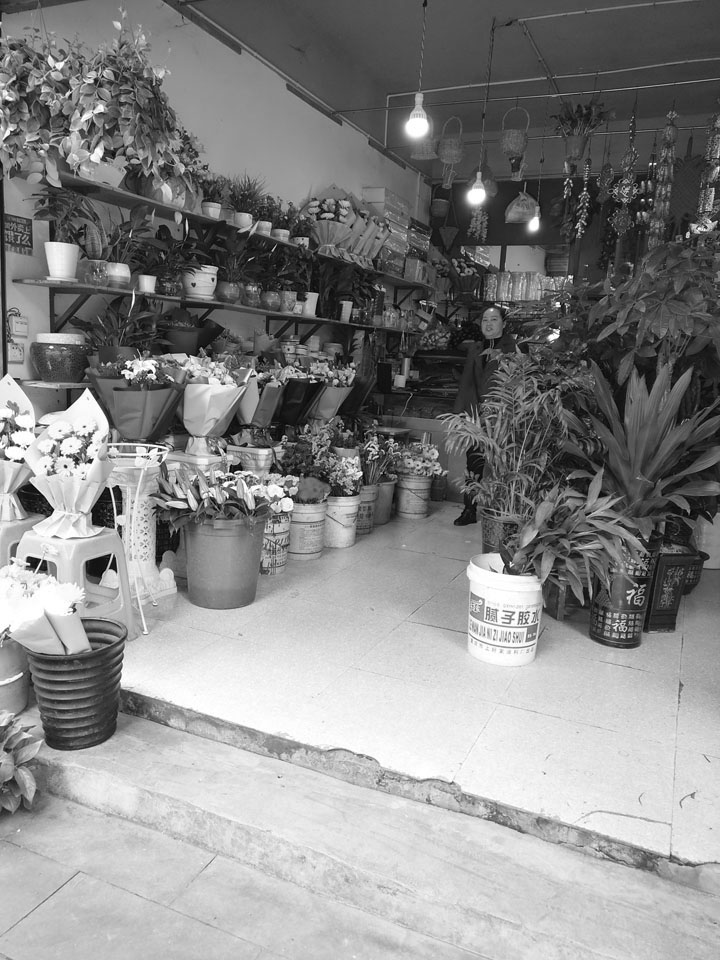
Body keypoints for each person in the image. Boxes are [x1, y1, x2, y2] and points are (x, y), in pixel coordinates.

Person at [452, 304, 516, 526]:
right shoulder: (476, 348)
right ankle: (469, 510)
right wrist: (461, 414)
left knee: (501, 463)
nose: (488, 324)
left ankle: (499, 510)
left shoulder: (513, 348)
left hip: (502, 415)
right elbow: (466, 382)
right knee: (474, 462)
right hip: (477, 415)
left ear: (504, 324)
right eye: (485, 320)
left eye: (494, 320)